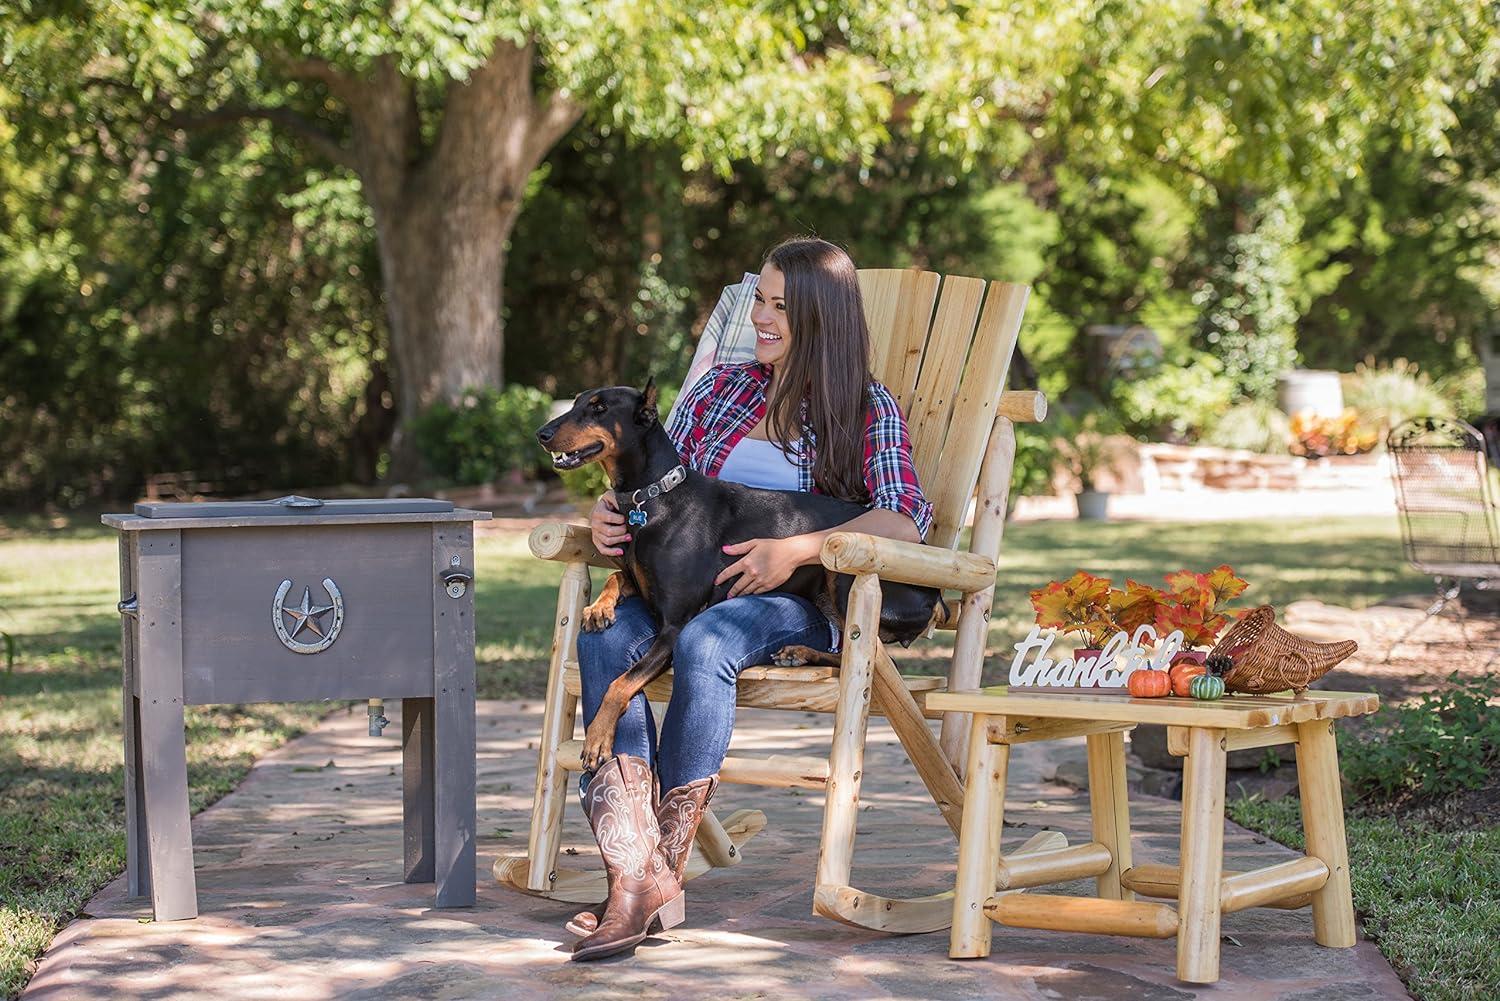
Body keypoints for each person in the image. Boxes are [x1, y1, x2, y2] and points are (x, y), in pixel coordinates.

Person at [569, 237, 933, 961]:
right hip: (686, 590)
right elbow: (660, 492)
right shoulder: (719, 390)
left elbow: (903, 518)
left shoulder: (866, 407)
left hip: (801, 605)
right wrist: (610, 517)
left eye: (781, 307)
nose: (761, 318)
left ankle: (654, 876)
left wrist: (795, 549)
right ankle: (634, 875)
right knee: (604, 636)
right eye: (759, 300)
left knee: (710, 640)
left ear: (821, 320)